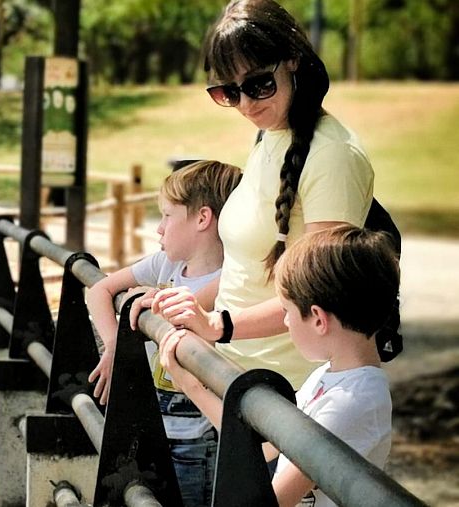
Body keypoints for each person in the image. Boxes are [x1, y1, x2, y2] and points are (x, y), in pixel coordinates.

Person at [151, 0, 376, 391]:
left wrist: (218, 326)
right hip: (231, 374)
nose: (246, 104)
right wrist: (181, 303)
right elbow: (245, 271)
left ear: (292, 60)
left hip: (287, 393)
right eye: (229, 92)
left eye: (258, 85)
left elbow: (321, 292)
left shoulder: (332, 155)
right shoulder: (270, 136)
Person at [159, 225, 399, 507]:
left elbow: (274, 502)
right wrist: (192, 387)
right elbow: (267, 448)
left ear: (319, 319)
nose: (285, 322)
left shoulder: (353, 402)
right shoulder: (330, 376)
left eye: (287, 311)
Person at [86, 159, 242, 507]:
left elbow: (176, 312)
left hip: (199, 437)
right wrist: (115, 347)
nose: (158, 229)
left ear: (203, 218)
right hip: (155, 425)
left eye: (167, 216)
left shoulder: (232, 280)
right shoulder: (166, 265)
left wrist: (149, 301)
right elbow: (98, 290)